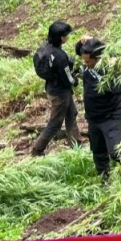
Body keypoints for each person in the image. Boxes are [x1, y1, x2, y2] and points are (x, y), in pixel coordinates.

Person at [76, 38, 121, 180]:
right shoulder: (88, 64)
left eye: (88, 61)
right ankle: (105, 180)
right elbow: (79, 49)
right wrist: (85, 41)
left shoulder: (108, 70)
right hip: (93, 117)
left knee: (116, 152)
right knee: (98, 151)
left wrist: (114, 67)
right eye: (84, 61)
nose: (86, 64)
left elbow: (119, 88)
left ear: (98, 58)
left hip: (109, 116)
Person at [31, 21, 83, 156]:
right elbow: (67, 78)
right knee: (55, 123)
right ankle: (37, 150)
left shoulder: (46, 47)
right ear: (61, 37)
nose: (68, 37)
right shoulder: (59, 57)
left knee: (71, 113)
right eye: (66, 35)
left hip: (52, 87)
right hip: (60, 93)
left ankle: (77, 145)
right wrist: (75, 80)